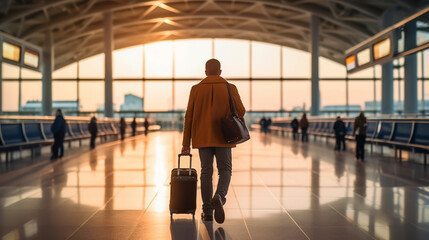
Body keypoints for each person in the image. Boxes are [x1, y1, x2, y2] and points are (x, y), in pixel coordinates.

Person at [181, 59, 245, 224]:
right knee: (225, 170)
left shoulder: (195, 89)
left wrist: (186, 143)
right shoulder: (230, 88)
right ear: (220, 71)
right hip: (224, 136)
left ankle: (207, 211)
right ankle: (220, 196)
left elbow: (189, 117)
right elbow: (241, 111)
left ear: (205, 72)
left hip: (202, 137)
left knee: (206, 172)